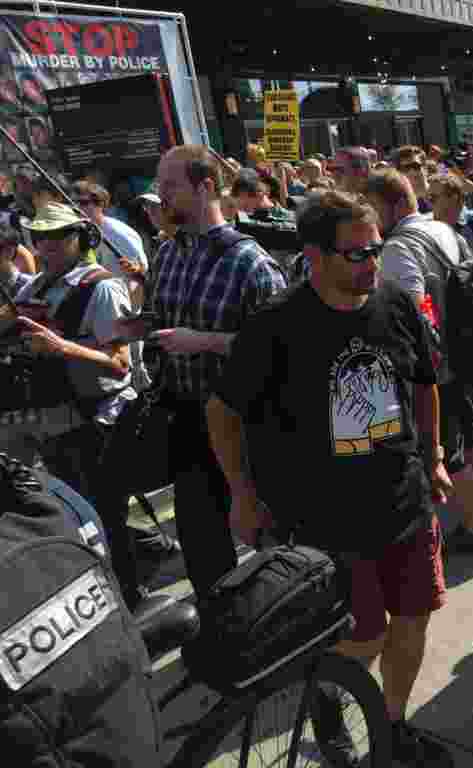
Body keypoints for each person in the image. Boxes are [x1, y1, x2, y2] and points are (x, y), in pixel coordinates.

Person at [207, 190, 455, 767]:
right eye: (356, 254)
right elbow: (222, 411)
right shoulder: (274, 326)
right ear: (314, 256)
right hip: (323, 519)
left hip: (404, 499)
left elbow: (424, 383)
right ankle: (332, 703)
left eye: (376, 249)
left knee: (414, 617)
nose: (372, 263)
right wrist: (242, 493)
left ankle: (390, 726)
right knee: (360, 636)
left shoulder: (395, 305)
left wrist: (435, 454)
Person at [146, 145, 287, 602]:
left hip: (244, 424)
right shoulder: (167, 255)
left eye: (170, 185)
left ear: (206, 187)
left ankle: (282, 624)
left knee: (266, 537)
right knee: (202, 542)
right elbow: (157, 319)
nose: (160, 195)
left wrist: (203, 340)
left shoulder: (251, 263)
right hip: (185, 420)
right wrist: (131, 327)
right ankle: (224, 628)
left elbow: (279, 350)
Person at [366, 168, 473, 554]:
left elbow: (412, 310)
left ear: (388, 205)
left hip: (438, 364)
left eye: (372, 208)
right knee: (472, 433)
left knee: (452, 450)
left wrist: (419, 366)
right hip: (466, 351)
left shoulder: (399, 247)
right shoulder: (439, 228)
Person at [13, 203, 145, 605]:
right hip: (53, 424)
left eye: (56, 237)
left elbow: (120, 363)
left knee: (106, 516)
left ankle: (131, 596)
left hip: (100, 421)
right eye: (39, 238)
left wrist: (61, 347)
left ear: (79, 239)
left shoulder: (102, 287)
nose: (45, 245)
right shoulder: (30, 289)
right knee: (77, 518)